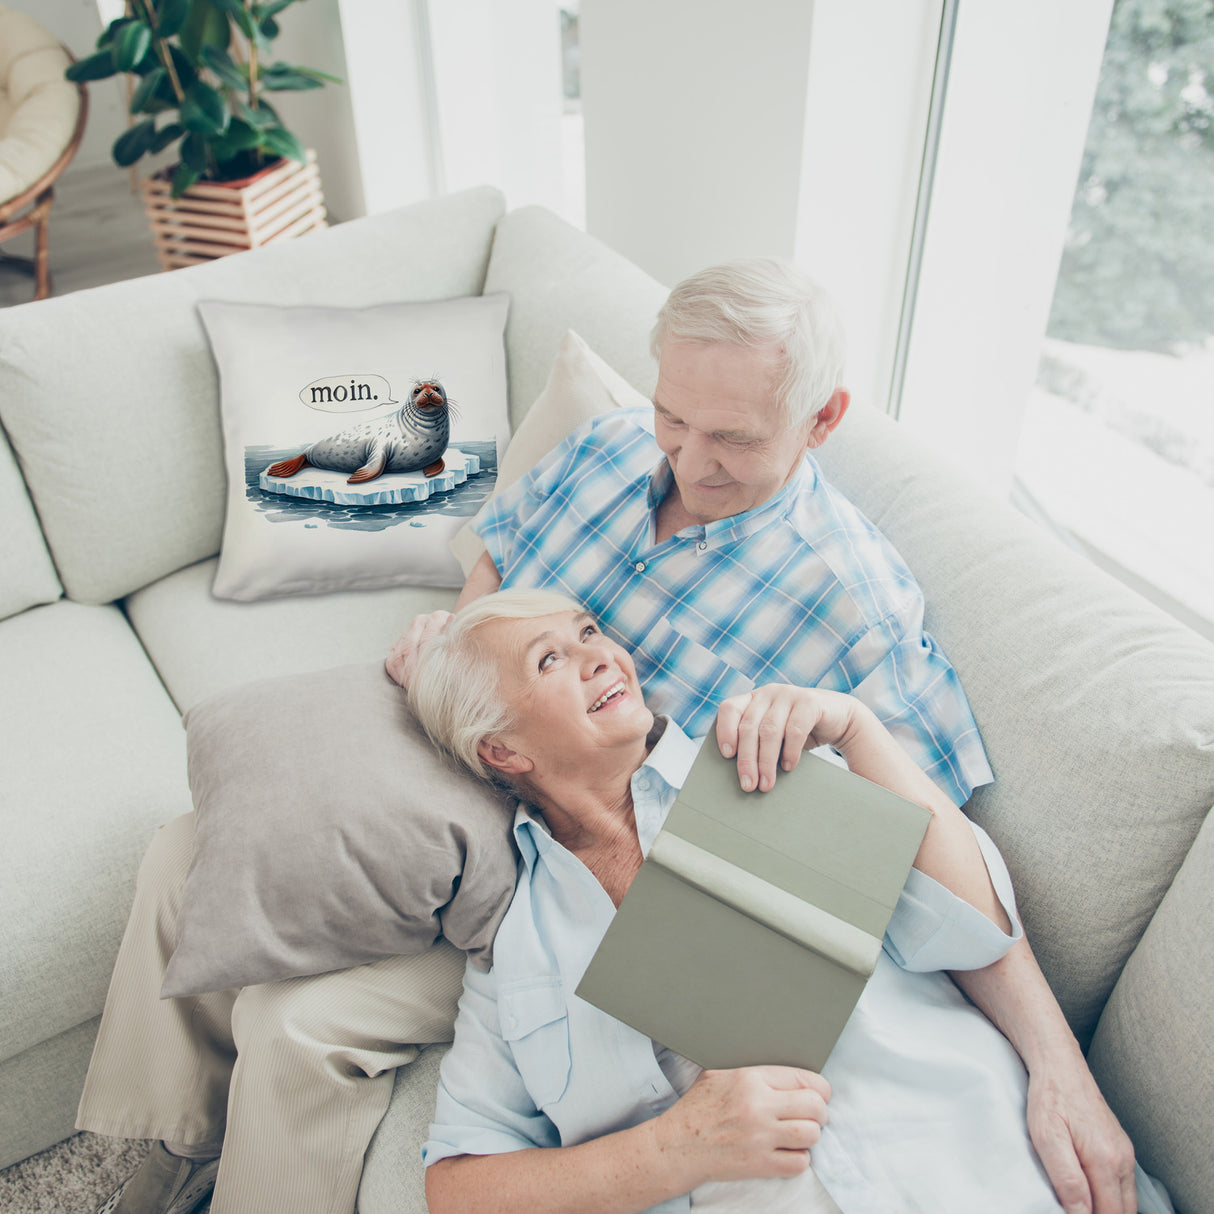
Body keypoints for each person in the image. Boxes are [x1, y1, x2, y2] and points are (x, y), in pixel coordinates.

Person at [79, 260, 1131, 1214]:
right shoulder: (608, 447)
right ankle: (159, 1150)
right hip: (486, 746)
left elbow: (927, 855)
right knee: (192, 847)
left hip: (576, 852)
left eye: (732, 438)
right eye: (674, 415)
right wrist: (457, 641)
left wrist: (1057, 1063)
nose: (687, 457)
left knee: (300, 1023)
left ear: (820, 420)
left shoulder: (853, 607)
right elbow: (499, 558)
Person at [408, 589, 1162, 1214]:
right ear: (502, 750)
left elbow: (973, 930)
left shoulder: (764, 762)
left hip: (985, 1168)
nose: (601, 654)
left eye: (588, 632)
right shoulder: (517, 951)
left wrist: (858, 731)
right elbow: (458, 1188)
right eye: (551, 659)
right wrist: (673, 1150)